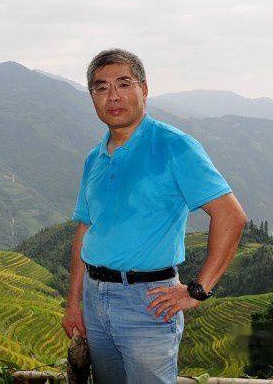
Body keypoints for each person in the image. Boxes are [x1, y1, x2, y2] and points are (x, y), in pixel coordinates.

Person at [61, 49, 247, 383]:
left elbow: (230, 216)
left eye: (123, 84)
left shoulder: (174, 146)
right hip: (94, 297)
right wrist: (74, 302)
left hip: (148, 301)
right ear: (92, 97)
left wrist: (198, 290)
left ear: (144, 89)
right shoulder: (95, 158)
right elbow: (85, 229)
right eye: (101, 88)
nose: (113, 96)